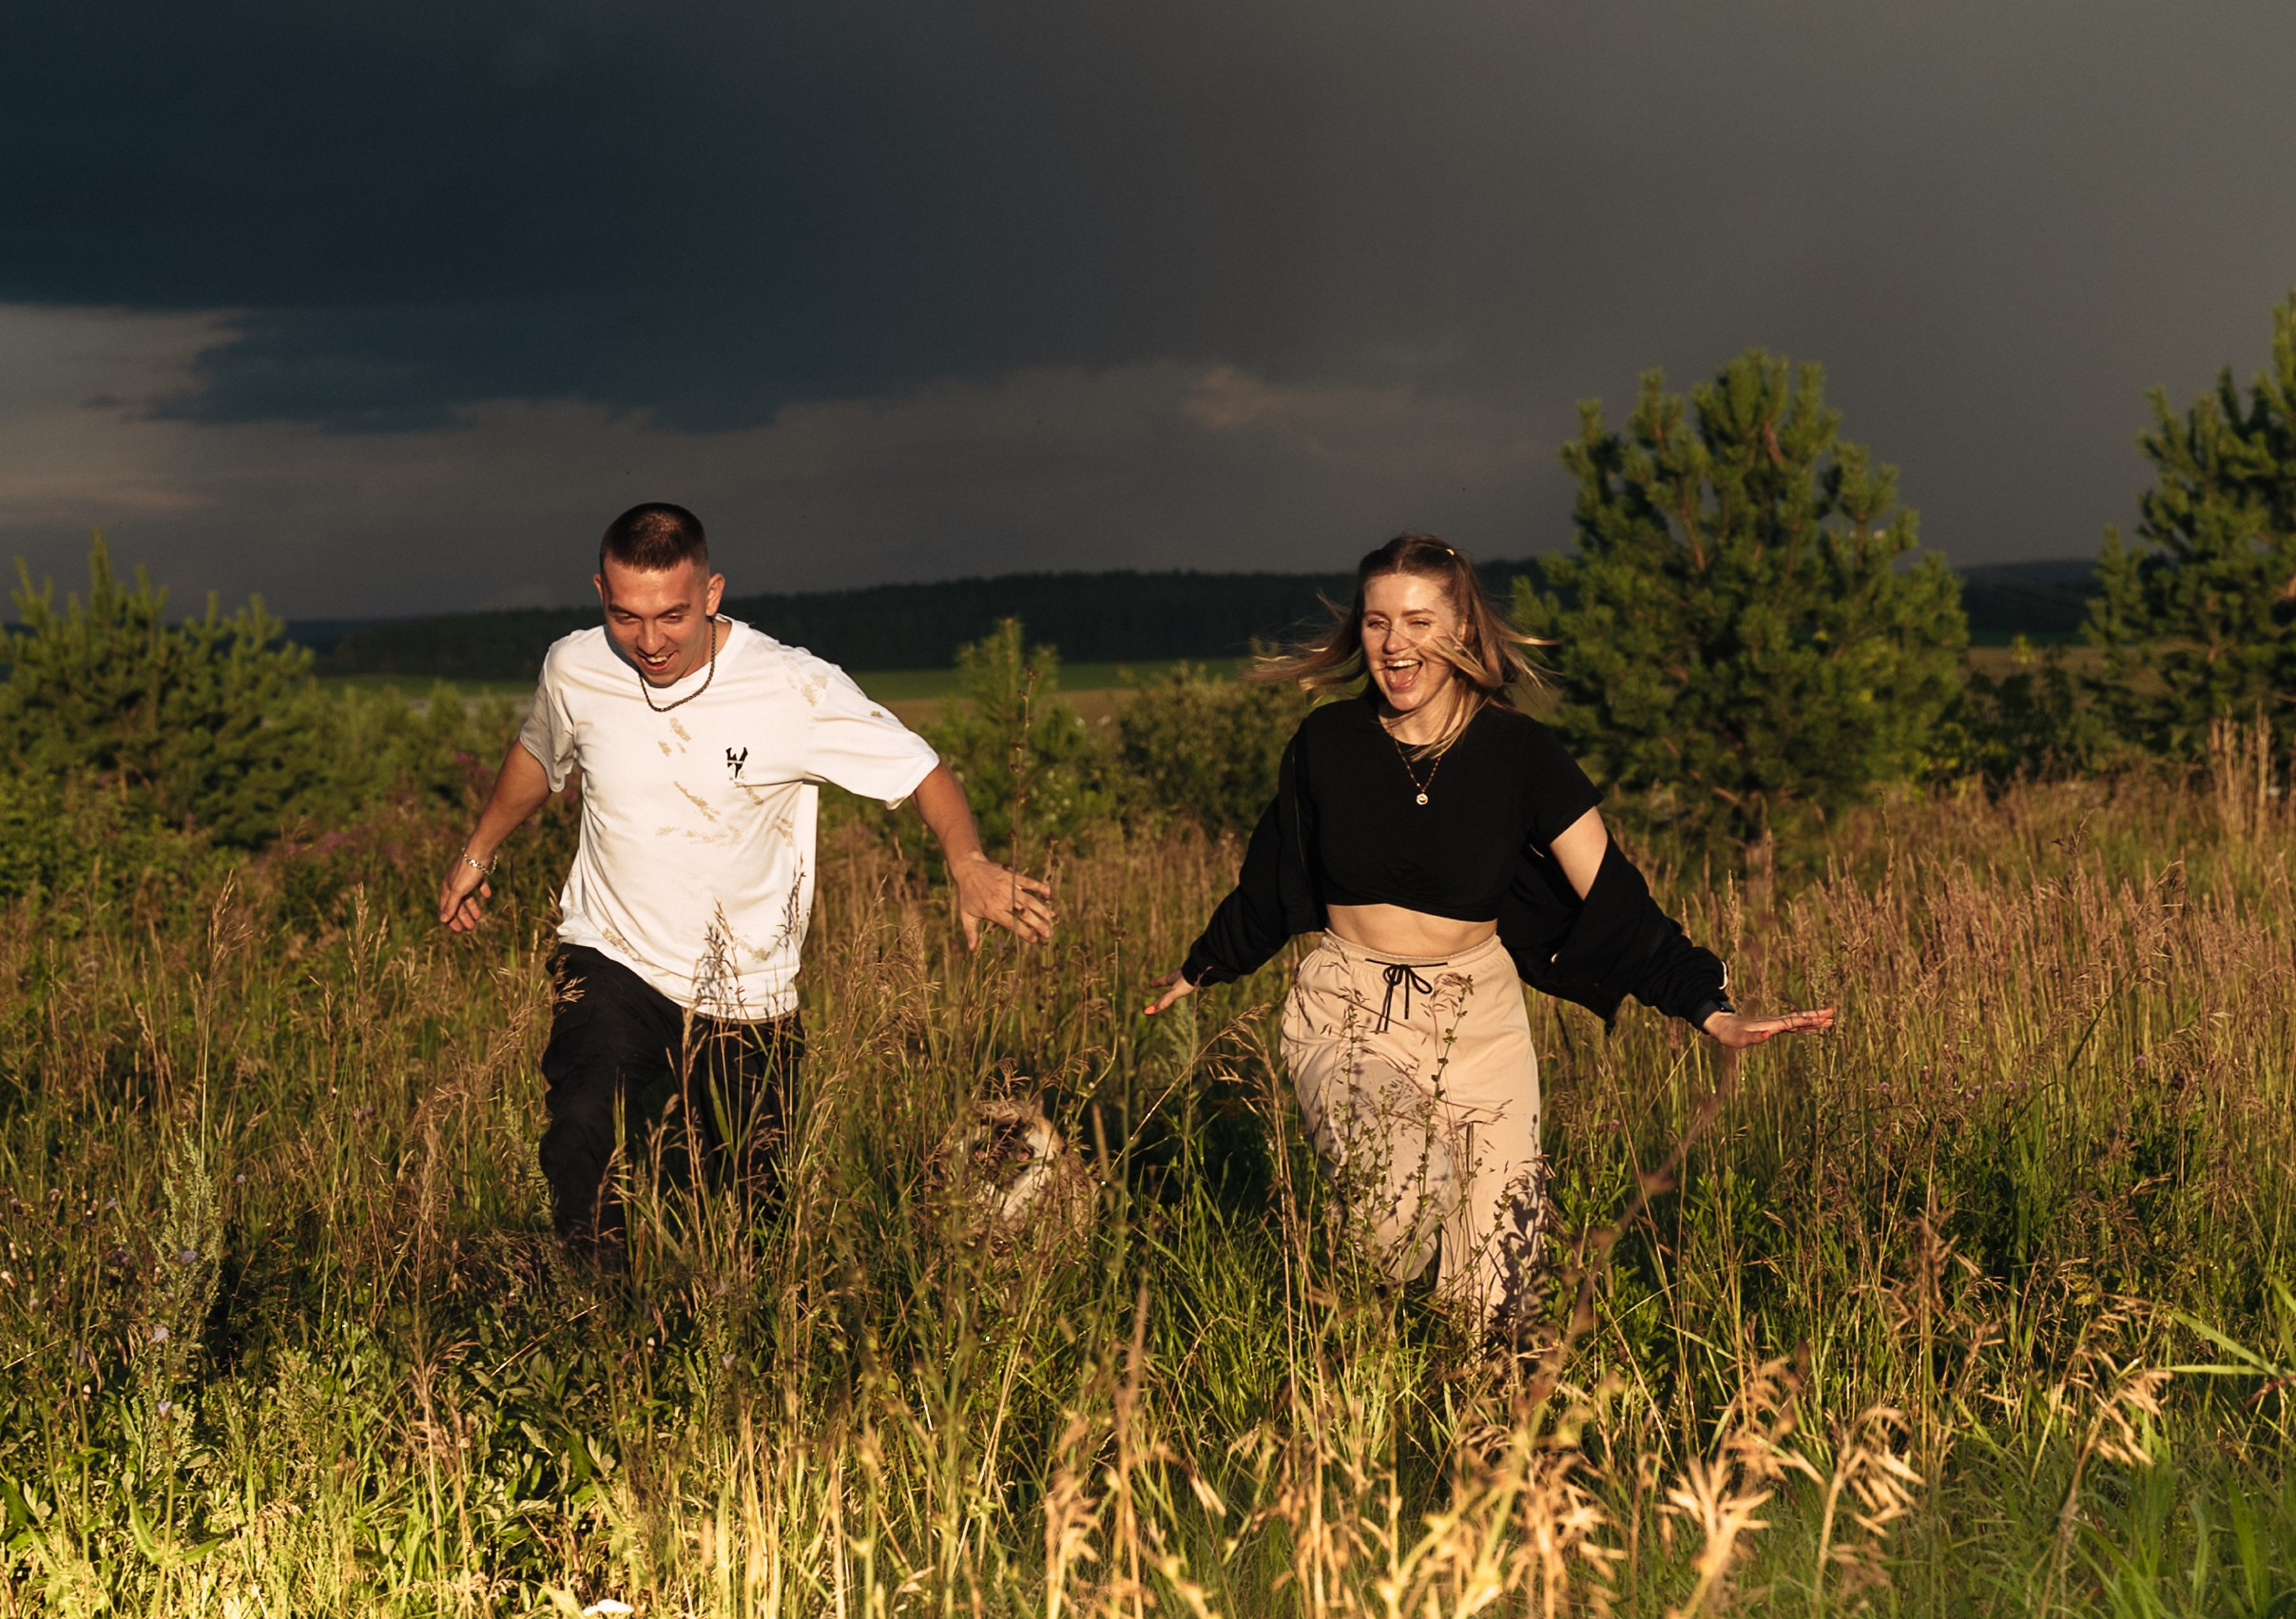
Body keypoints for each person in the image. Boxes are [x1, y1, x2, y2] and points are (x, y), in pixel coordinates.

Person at [1143, 533, 1831, 1335]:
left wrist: (1709, 1009)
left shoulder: (1522, 755)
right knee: (1396, 1203)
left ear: (1463, 630)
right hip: (1351, 1006)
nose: (1394, 644)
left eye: (1417, 621)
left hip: (1481, 1020)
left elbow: (1615, 896)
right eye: (1375, 622)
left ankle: (1470, 1436)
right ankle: (1343, 1320)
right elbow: (1270, 877)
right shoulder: (1326, 745)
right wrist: (1202, 967)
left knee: (1499, 1292)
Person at [440, 502, 1052, 1263]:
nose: (650, 641)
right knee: (581, 1138)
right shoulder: (576, 666)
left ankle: (713, 1331)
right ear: (601, 592)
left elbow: (922, 769)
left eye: (673, 616)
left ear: (713, 592)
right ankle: (600, 1322)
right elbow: (538, 756)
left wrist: (966, 862)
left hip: (747, 996)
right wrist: (477, 855)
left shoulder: (793, 688)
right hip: (611, 957)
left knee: (744, 1218)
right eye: (625, 616)